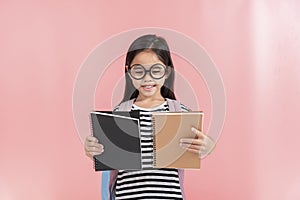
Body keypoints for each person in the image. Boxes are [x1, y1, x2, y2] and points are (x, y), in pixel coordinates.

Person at [85, 34, 216, 200]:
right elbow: (106, 159)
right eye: (139, 71)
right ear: (129, 72)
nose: (147, 78)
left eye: (156, 70)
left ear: (167, 71)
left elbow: (197, 148)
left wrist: (209, 147)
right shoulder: (120, 114)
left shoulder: (179, 112)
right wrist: (93, 151)